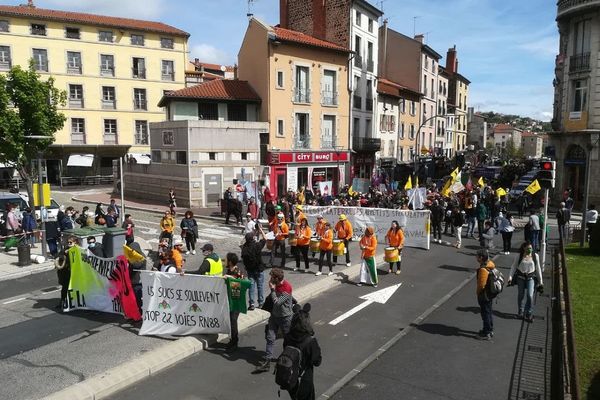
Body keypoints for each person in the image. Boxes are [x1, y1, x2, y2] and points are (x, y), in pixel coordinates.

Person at [255, 268, 294, 372]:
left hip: (285, 317)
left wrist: (272, 289)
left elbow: (277, 302)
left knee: (287, 339)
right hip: (274, 316)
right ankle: (267, 362)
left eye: (272, 277)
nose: (270, 279)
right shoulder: (275, 283)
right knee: (270, 337)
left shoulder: (287, 288)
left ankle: (287, 359)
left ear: (277, 278)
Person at [283, 303, 322, 400]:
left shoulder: (288, 336)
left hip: (290, 377)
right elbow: (317, 362)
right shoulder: (310, 341)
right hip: (304, 379)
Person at [508, 242, 543, 322]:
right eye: (528, 248)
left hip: (531, 278)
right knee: (521, 295)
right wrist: (510, 277)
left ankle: (529, 312)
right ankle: (521, 310)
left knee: (530, 295)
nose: (529, 250)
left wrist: (541, 281)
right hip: (520, 278)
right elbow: (513, 266)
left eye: (530, 248)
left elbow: (538, 269)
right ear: (524, 248)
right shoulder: (519, 256)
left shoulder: (535, 256)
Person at [223, 252, 249, 351]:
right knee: (231, 320)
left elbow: (243, 283)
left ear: (230, 262)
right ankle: (233, 339)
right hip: (228, 299)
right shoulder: (228, 270)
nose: (224, 261)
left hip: (236, 300)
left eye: (226, 259)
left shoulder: (238, 271)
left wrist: (230, 278)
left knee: (233, 320)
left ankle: (234, 341)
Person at [241, 227, 267, 310]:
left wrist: (250, 235)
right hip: (259, 269)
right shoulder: (257, 245)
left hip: (250, 270)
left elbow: (240, 243)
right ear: (253, 238)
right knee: (260, 286)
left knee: (251, 287)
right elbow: (265, 238)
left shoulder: (244, 248)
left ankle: (251, 304)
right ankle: (261, 303)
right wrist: (260, 230)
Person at [476, 249, 496, 340]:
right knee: (489, 312)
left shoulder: (483, 269)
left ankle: (487, 332)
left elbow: (481, 284)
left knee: (485, 313)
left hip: (484, 295)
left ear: (481, 257)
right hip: (490, 293)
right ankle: (489, 330)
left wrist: (478, 292)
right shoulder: (490, 265)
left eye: (477, 256)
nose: (476, 257)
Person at [54, 236, 77, 310]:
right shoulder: (65, 249)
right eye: (68, 242)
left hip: (73, 273)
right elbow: (57, 256)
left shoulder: (77, 250)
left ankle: (72, 303)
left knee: (72, 289)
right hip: (65, 273)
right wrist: (64, 253)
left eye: (71, 242)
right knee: (64, 288)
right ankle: (63, 302)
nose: (69, 244)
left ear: (75, 242)